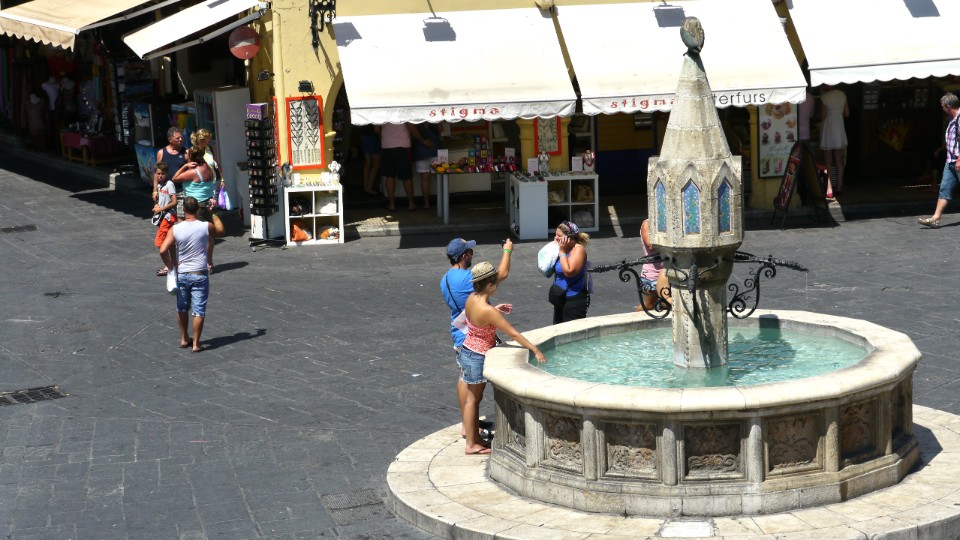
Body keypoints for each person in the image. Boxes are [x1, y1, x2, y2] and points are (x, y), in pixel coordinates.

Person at [460, 261, 546, 454]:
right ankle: (471, 445)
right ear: (490, 285)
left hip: (467, 350)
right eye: (495, 283)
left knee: (472, 399)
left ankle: (474, 439)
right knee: (473, 400)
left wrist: (495, 311)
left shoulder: (472, 298)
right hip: (477, 356)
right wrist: (535, 350)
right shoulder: (488, 310)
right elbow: (513, 333)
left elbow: (478, 320)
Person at [441, 237, 513, 440]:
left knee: (462, 378)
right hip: (471, 336)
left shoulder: (445, 278)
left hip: (458, 331)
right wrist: (507, 251)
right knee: (472, 388)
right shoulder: (466, 278)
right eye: (470, 251)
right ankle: (470, 429)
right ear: (464, 256)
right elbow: (501, 274)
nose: (472, 254)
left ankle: (468, 424)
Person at [159, 197, 225, 353]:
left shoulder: (175, 229)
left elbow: (162, 250)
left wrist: (170, 265)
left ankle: (184, 338)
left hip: (182, 274)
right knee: (198, 310)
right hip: (199, 273)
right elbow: (221, 230)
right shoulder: (205, 226)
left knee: (182, 307)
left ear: (184, 210)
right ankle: (196, 343)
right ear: (198, 210)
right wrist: (214, 213)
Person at [172, 147, 219, 270]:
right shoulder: (207, 168)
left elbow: (175, 178)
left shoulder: (193, 172)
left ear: (191, 156)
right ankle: (209, 263)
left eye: (187, 153)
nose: (185, 155)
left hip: (195, 206)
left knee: (192, 234)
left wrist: (184, 166)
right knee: (208, 236)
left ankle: (194, 262)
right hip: (207, 204)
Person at [918, 93, 960, 229]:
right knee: (944, 188)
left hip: (958, 161)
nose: (942, 108)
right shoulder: (951, 119)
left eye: (942, 106)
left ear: (948, 106)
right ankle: (936, 218)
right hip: (950, 161)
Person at [549, 221, 591, 324]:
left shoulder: (578, 250)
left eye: (559, 236)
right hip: (560, 297)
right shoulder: (560, 247)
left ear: (569, 238)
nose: (556, 238)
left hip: (573, 300)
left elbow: (569, 272)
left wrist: (562, 252)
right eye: (555, 235)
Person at [379, 122, 419, 211]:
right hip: (403, 145)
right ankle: (411, 204)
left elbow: (376, 129)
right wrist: (420, 140)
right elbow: (411, 127)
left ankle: (392, 205)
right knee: (406, 177)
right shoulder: (404, 112)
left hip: (386, 145)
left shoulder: (382, 113)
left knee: (389, 176)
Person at [819, 84, 849, 200]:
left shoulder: (824, 97)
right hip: (839, 128)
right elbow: (847, 113)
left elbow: (822, 117)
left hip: (828, 129)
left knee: (828, 161)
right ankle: (839, 186)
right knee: (839, 160)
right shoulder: (842, 94)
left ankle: (829, 187)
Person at [636, 219, 670, 311]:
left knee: (666, 305)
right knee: (649, 305)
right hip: (652, 273)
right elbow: (650, 245)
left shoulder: (670, 221)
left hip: (669, 271)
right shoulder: (647, 223)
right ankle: (632, 317)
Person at [152, 162, 177, 277]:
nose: (160, 176)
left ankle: (169, 266)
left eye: (162, 174)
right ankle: (174, 264)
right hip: (162, 216)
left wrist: (161, 209)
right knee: (170, 242)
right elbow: (160, 200)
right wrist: (157, 205)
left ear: (166, 174)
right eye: (158, 174)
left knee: (160, 242)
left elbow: (174, 202)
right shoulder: (159, 185)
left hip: (169, 216)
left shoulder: (169, 184)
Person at [156, 128, 187, 212]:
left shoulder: (186, 152)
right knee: (166, 216)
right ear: (170, 139)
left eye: (181, 137)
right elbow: (157, 173)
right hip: (166, 191)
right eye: (177, 138)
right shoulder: (161, 153)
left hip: (181, 191)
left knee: (181, 216)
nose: (180, 140)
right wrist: (155, 191)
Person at [412, 123, 441, 210]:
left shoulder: (414, 118)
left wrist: (423, 141)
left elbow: (411, 129)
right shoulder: (435, 116)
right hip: (435, 149)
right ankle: (443, 201)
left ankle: (426, 204)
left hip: (420, 150)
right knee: (439, 177)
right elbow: (440, 129)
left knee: (425, 179)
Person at [360, 124, 381, 195]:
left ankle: (365, 186)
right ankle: (369, 187)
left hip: (364, 134)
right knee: (376, 164)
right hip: (373, 136)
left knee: (368, 162)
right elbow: (377, 129)